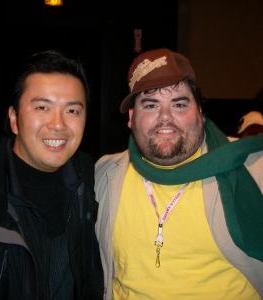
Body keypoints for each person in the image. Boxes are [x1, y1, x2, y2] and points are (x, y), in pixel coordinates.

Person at [95, 48, 263, 300]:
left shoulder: (252, 170)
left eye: (179, 104)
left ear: (200, 112)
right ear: (131, 117)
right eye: (151, 105)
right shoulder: (104, 175)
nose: (165, 118)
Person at [0, 50, 103, 299]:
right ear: (14, 119)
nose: (58, 124)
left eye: (72, 111)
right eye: (42, 107)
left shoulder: (88, 178)